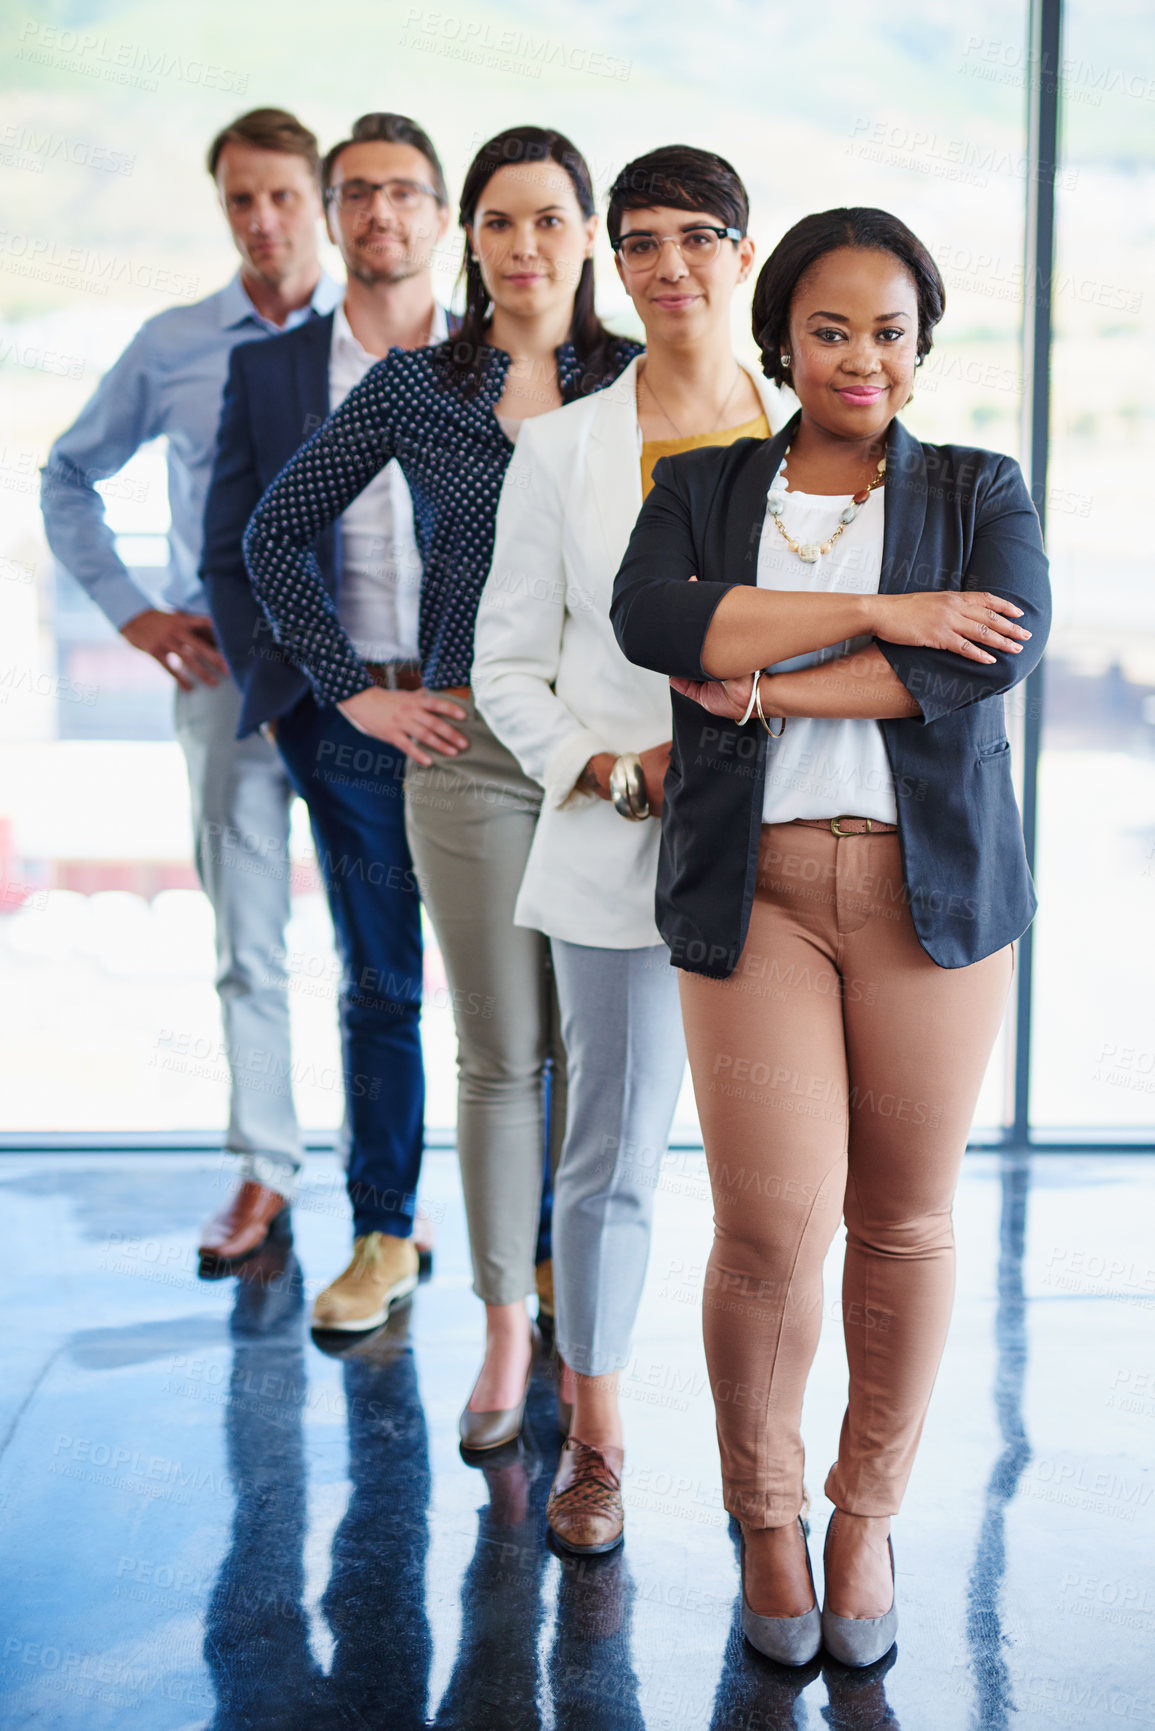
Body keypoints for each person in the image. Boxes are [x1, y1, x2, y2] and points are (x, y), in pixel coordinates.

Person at [610, 207, 1050, 1665]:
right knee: (762, 1226)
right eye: (828, 328)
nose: (860, 356)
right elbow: (651, 620)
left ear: (919, 346)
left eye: (887, 330)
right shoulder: (701, 480)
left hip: (932, 904)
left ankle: (863, 1515)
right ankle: (767, 1515)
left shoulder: (981, 483)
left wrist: (753, 678)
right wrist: (875, 608)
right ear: (780, 341)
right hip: (757, 894)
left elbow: (980, 656)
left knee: (903, 1218)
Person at [243, 127, 642, 1439]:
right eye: (497, 222)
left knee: (593, 1057)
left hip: (602, 760)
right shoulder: (419, 384)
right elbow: (273, 531)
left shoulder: (641, 382)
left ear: (586, 235)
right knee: (495, 1056)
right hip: (467, 756)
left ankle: (581, 1338)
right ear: (467, 240)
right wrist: (355, 683)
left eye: (547, 220)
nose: (522, 247)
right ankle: (498, 1336)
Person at [472, 144, 783, 1554]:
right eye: (641, 242)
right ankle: (593, 1447)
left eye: (696, 237)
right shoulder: (559, 449)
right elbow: (503, 665)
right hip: (621, 853)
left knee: (774, 1178)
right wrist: (603, 767)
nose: (668, 266)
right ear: (614, 258)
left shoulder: (822, 435)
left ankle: (768, 1469)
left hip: (788, 854)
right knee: (607, 1161)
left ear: (741, 249)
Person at [40, 108, 341, 1272]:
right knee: (249, 941)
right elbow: (69, 474)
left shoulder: (385, 337)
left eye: (280, 196)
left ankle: (386, 1186)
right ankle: (267, 1166)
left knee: (386, 946)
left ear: (317, 198)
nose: (262, 221)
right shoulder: (172, 343)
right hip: (227, 676)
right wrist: (133, 611)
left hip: (367, 685)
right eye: (239, 200)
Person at [202, 112, 456, 1332]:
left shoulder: (498, 366)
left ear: (442, 218)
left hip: (482, 715)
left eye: (405, 193)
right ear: (331, 209)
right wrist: (334, 695)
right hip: (345, 715)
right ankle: (383, 1230)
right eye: (357, 193)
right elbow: (230, 552)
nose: (379, 215)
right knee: (380, 983)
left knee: (540, 992)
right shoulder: (269, 373)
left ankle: (549, 1252)